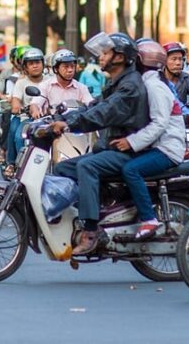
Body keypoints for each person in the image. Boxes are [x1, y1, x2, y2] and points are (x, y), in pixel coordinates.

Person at [67, 40, 185, 245]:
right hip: (152, 145)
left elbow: (159, 124)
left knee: (131, 169)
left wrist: (131, 141)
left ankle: (148, 219)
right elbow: (101, 104)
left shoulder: (153, 86)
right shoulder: (141, 82)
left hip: (165, 148)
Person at [49, 32, 150, 254]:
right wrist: (62, 118)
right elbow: (94, 105)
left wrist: (68, 126)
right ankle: (94, 210)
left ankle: (91, 230)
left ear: (120, 57)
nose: (101, 57)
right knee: (63, 167)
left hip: (128, 150)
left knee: (87, 165)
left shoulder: (130, 86)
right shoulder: (116, 82)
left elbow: (103, 114)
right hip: (112, 146)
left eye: (106, 53)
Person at [7, 47, 48, 169]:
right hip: (28, 119)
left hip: (48, 118)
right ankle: (20, 166)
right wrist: (17, 106)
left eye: (37, 62)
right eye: (31, 63)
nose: (35, 66)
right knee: (19, 137)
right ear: (25, 67)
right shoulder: (21, 82)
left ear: (43, 64)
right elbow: (16, 101)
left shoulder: (50, 80)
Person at [29, 49, 93, 117]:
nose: (70, 70)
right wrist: (35, 111)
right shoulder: (45, 86)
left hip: (74, 124)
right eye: (66, 66)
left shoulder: (82, 88)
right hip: (50, 124)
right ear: (56, 69)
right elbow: (35, 103)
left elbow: (90, 105)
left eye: (72, 66)